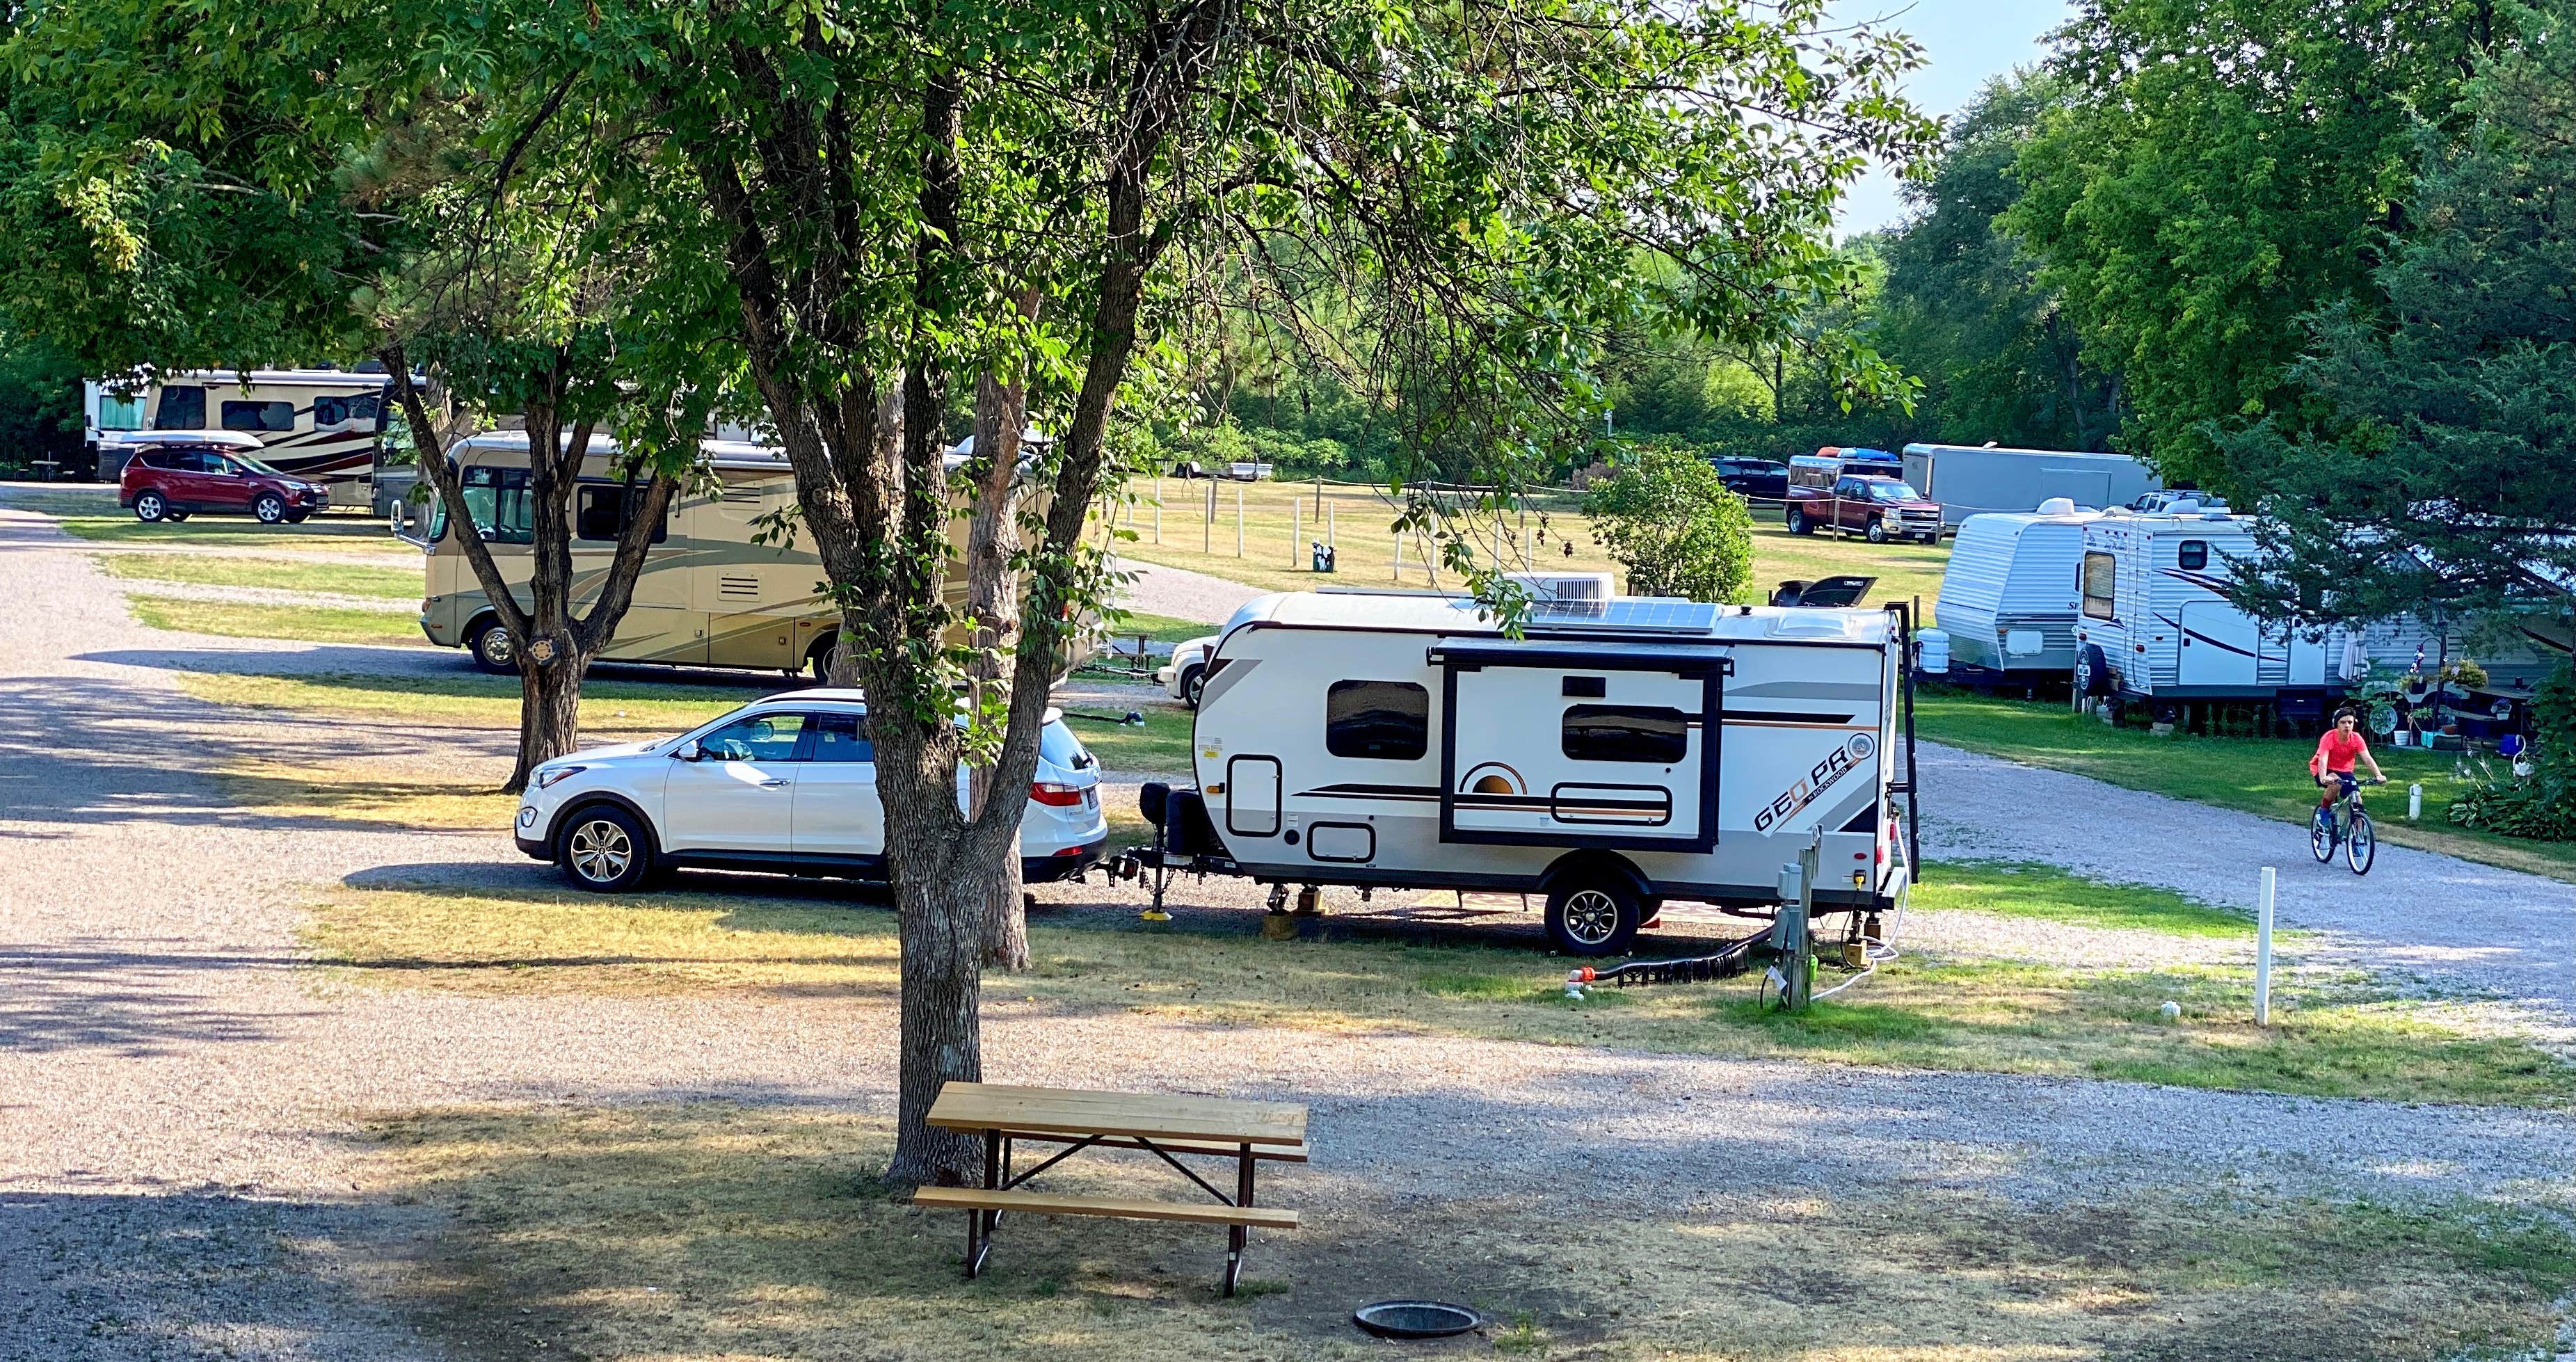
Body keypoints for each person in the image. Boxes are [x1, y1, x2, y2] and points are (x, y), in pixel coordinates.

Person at [2310, 707, 2387, 810]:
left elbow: (2368, 758)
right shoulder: (2328, 737)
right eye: (2343, 722)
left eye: (2350, 722)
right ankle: (2324, 810)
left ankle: (2359, 819)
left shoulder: (2356, 738)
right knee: (2336, 784)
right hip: (2324, 769)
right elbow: (2323, 759)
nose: (2347, 726)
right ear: (2336, 724)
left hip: (2345, 771)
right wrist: (2324, 777)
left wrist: (2379, 775)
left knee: (2356, 797)